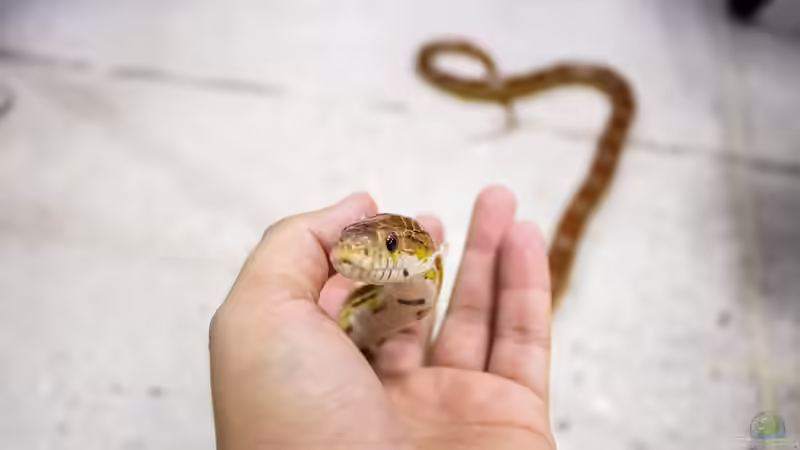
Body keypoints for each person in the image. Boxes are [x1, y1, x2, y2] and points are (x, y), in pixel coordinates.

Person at [209, 185, 556, 450]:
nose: (353, 251)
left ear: (423, 251)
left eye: (390, 243)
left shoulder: (423, 264)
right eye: (347, 241)